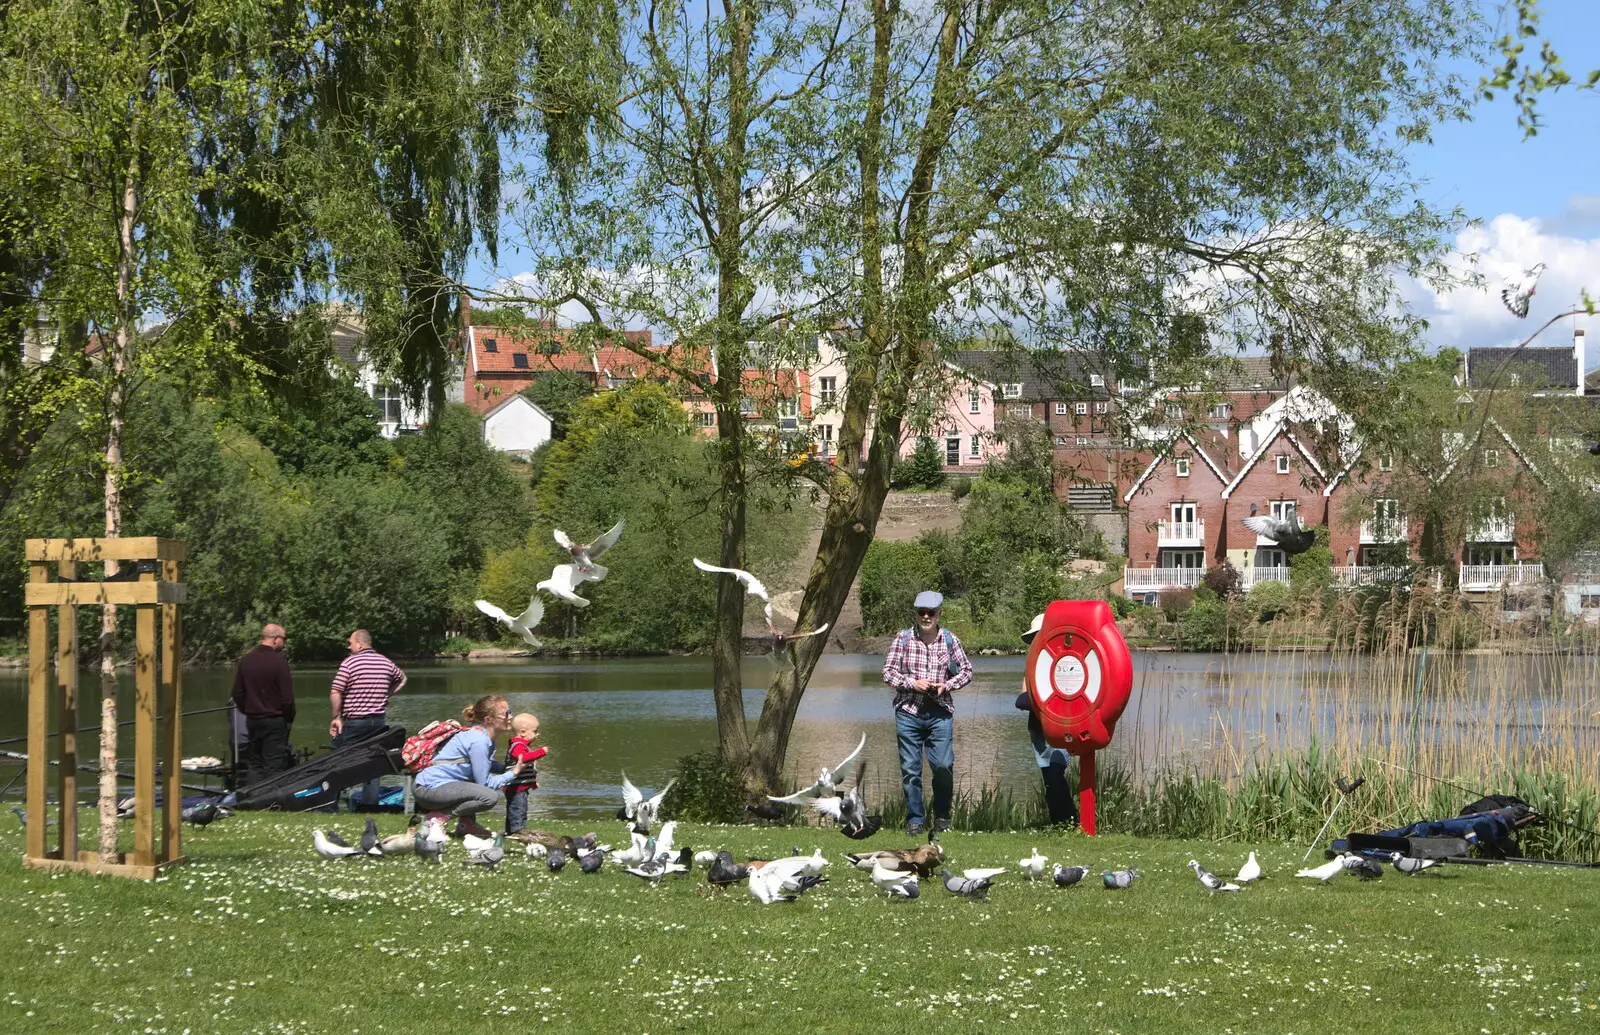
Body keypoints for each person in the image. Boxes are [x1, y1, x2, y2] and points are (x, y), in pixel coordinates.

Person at [881, 590, 972, 835]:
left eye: (931, 612)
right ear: (916, 613)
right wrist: (913, 683)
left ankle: (942, 816)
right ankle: (915, 820)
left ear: (939, 614)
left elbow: (966, 671)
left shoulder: (950, 640)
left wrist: (947, 685)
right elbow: (888, 673)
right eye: (921, 612)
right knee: (911, 769)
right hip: (908, 712)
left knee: (943, 765)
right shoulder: (903, 639)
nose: (926, 617)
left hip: (940, 711)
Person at [413, 694, 527, 838]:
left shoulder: (482, 737)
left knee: (474, 783)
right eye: (505, 714)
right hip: (430, 790)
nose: (510, 717)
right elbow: (485, 783)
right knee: (489, 797)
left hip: (430, 787)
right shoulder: (479, 741)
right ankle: (437, 818)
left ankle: (466, 824)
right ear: (489, 720)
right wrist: (513, 773)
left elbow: (482, 765)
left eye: (510, 711)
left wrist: (505, 767)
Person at [328, 629, 408, 810]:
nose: (349, 647)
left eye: (350, 643)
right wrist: (386, 695)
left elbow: (336, 691)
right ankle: (369, 803)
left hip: (355, 721)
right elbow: (402, 679)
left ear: (360, 644)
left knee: (341, 761)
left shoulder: (349, 663)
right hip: (378, 721)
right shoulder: (385, 662)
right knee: (373, 763)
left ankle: (332, 803)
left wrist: (335, 717)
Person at [1017, 613, 1079, 827]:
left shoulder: (1066, 664)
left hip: (1060, 730)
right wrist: (1042, 701)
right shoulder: (1031, 667)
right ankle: (1060, 822)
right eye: (1034, 637)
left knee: (1055, 774)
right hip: (1038, 731)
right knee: (1050, 780)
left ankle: (1070, 820)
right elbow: (1021, 699)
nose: (1037, 640)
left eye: (1040, 635)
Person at [232, 623, 296, 786]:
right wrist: (289, 718)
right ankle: (272, 800)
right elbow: (287, 698)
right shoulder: (279, 662)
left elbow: (237, 693)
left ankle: (254, 798)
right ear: (275, 639)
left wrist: (247, 710)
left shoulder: (246, 660)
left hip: (253, 719)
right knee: (274, 763)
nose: (284, 642)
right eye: (284, 639)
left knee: (255, 763)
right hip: (275, 719)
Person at [502, 713, 549, 835]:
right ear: (523, 732)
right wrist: (540, 752)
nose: (537, 734)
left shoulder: (523, 745)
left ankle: (510, 831)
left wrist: (532, 782)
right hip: (516, 787)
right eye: (535, 731)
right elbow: (523, 758)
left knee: (515, 808)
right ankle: (518, 832)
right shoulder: (517, 746)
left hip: (520, 786)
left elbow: (527, 769)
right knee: (518, 809)